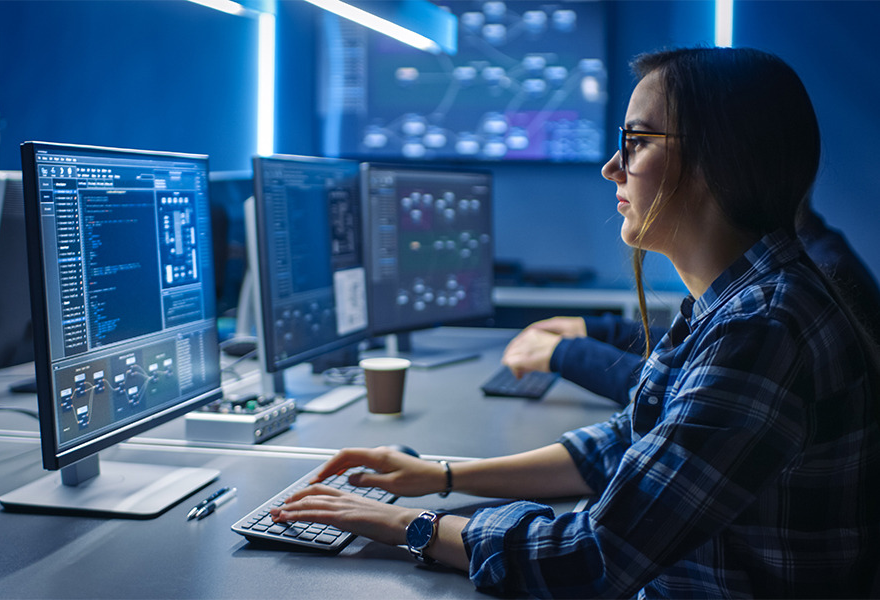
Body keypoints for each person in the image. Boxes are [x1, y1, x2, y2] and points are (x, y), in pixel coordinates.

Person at [269, 47, 880, 598]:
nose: (613, 167)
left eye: (637, 140)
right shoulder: (735, 299)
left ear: (714, 162)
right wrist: (442, 475)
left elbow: (589, 560)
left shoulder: (762, 327)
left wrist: (410, 526)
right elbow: (624, 444)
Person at [500, 201, 880, 407]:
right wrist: (600, 331)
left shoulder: (781, 303)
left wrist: (567, 355)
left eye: (639, 142)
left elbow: (690, 388)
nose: (614, 169)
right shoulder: (800, 255)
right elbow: (703, 347)